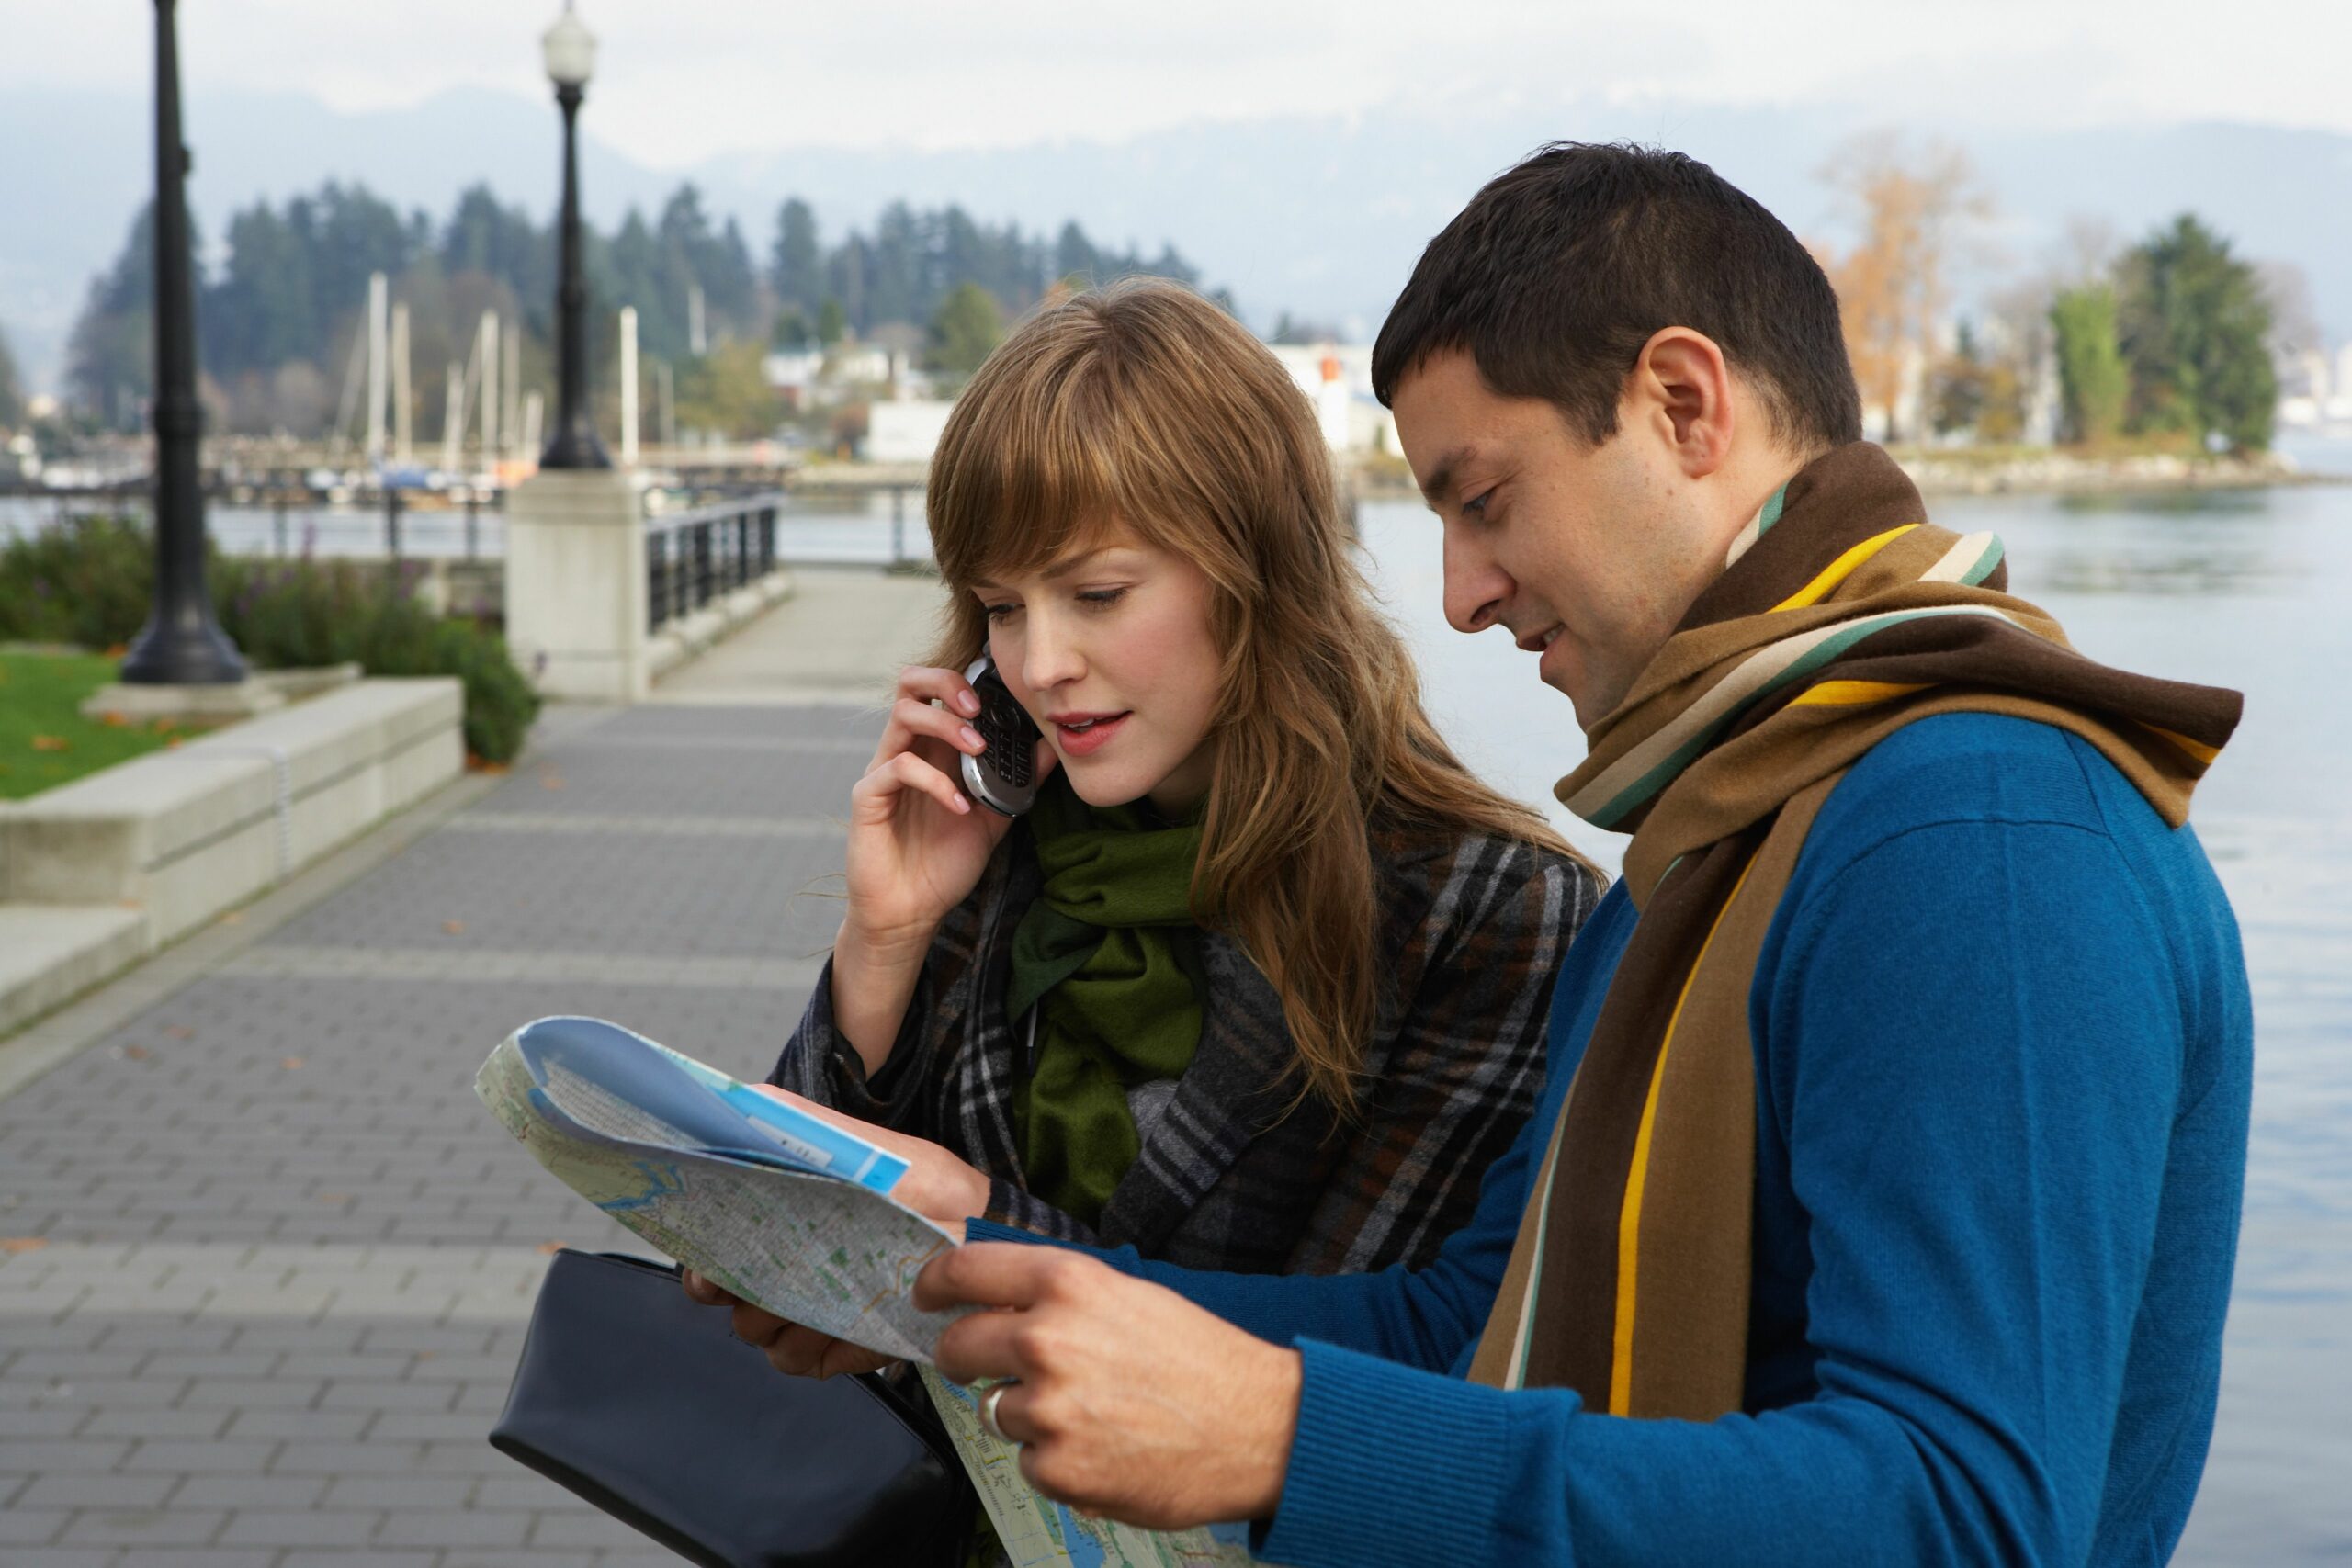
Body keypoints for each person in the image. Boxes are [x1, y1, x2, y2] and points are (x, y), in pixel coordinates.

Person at [894, 144, 2254, 1568]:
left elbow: (1966, 1514)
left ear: (1683, 403)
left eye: (1484, 500)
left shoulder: (1979, 833)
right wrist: (994, 1267)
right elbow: (1475, 1328)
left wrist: (1293, 1437)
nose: (1461, 594)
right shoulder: (1719, 829)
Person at [691, 280, 1602, 1378]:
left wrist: (978, 1232)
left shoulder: (1485, 906)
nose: (1039, 665)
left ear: (1253, 573)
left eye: (1099, 593)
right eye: (1004, 606)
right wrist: (882, 940)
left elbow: (1373, 1362)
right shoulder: (995, 844)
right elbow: (788, 1244)